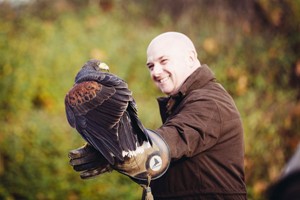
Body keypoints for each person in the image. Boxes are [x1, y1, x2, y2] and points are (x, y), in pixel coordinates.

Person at [68, 32, 247, 199]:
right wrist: (115, 153)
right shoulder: (183, 104)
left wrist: (123, 146)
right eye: (151, 66)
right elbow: (159, 168)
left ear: (190, 58)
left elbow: (165, 147)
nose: (156, 72)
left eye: (164, 61)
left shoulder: (209, 102)